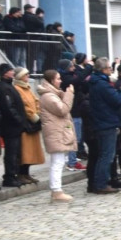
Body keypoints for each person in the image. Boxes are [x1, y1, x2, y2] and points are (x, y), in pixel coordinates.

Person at [88, 57, 121, 194]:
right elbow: (118, 101)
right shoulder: (102, 84)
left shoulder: (98, 82)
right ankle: (100, 184)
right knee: (107, 156)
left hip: (103, 121)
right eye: (109, 68)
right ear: (103, 69)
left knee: (104, 155)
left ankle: (99, 182)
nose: (111, 70)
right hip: (106, 122)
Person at [37, 69, 77, 202]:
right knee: (57, 162)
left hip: (58, 131)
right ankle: (56, 190)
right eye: (58, 79)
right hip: (55, 133)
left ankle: (57, 189)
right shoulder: (48, 96)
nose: (60, 81)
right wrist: (69, 94)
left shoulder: (53, 94)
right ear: (51, 81)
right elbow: (62, 109)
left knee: (59, 161)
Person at [0, 63, 29, 187]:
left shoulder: (9, 85)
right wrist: (19, 120)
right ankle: (9, 177)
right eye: (10, 71)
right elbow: (9, 108)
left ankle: (14, 175)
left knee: (15, 153)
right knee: (11, 153)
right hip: (10, 127)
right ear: (5, 73)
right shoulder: (4, 87)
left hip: (15, 127)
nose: (13, 72)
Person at [13, 67, 44, 183]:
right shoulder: (17, 89)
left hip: (33, 124)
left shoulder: (27, 88)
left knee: (31, 152)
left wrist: (38, 113)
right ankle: (21, 173)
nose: (28, 76)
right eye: (26, 75)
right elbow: (24, 106)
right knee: (25, 152)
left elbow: (35, 101)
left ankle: (27, 173)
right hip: (27, 125)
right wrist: (34, 117)